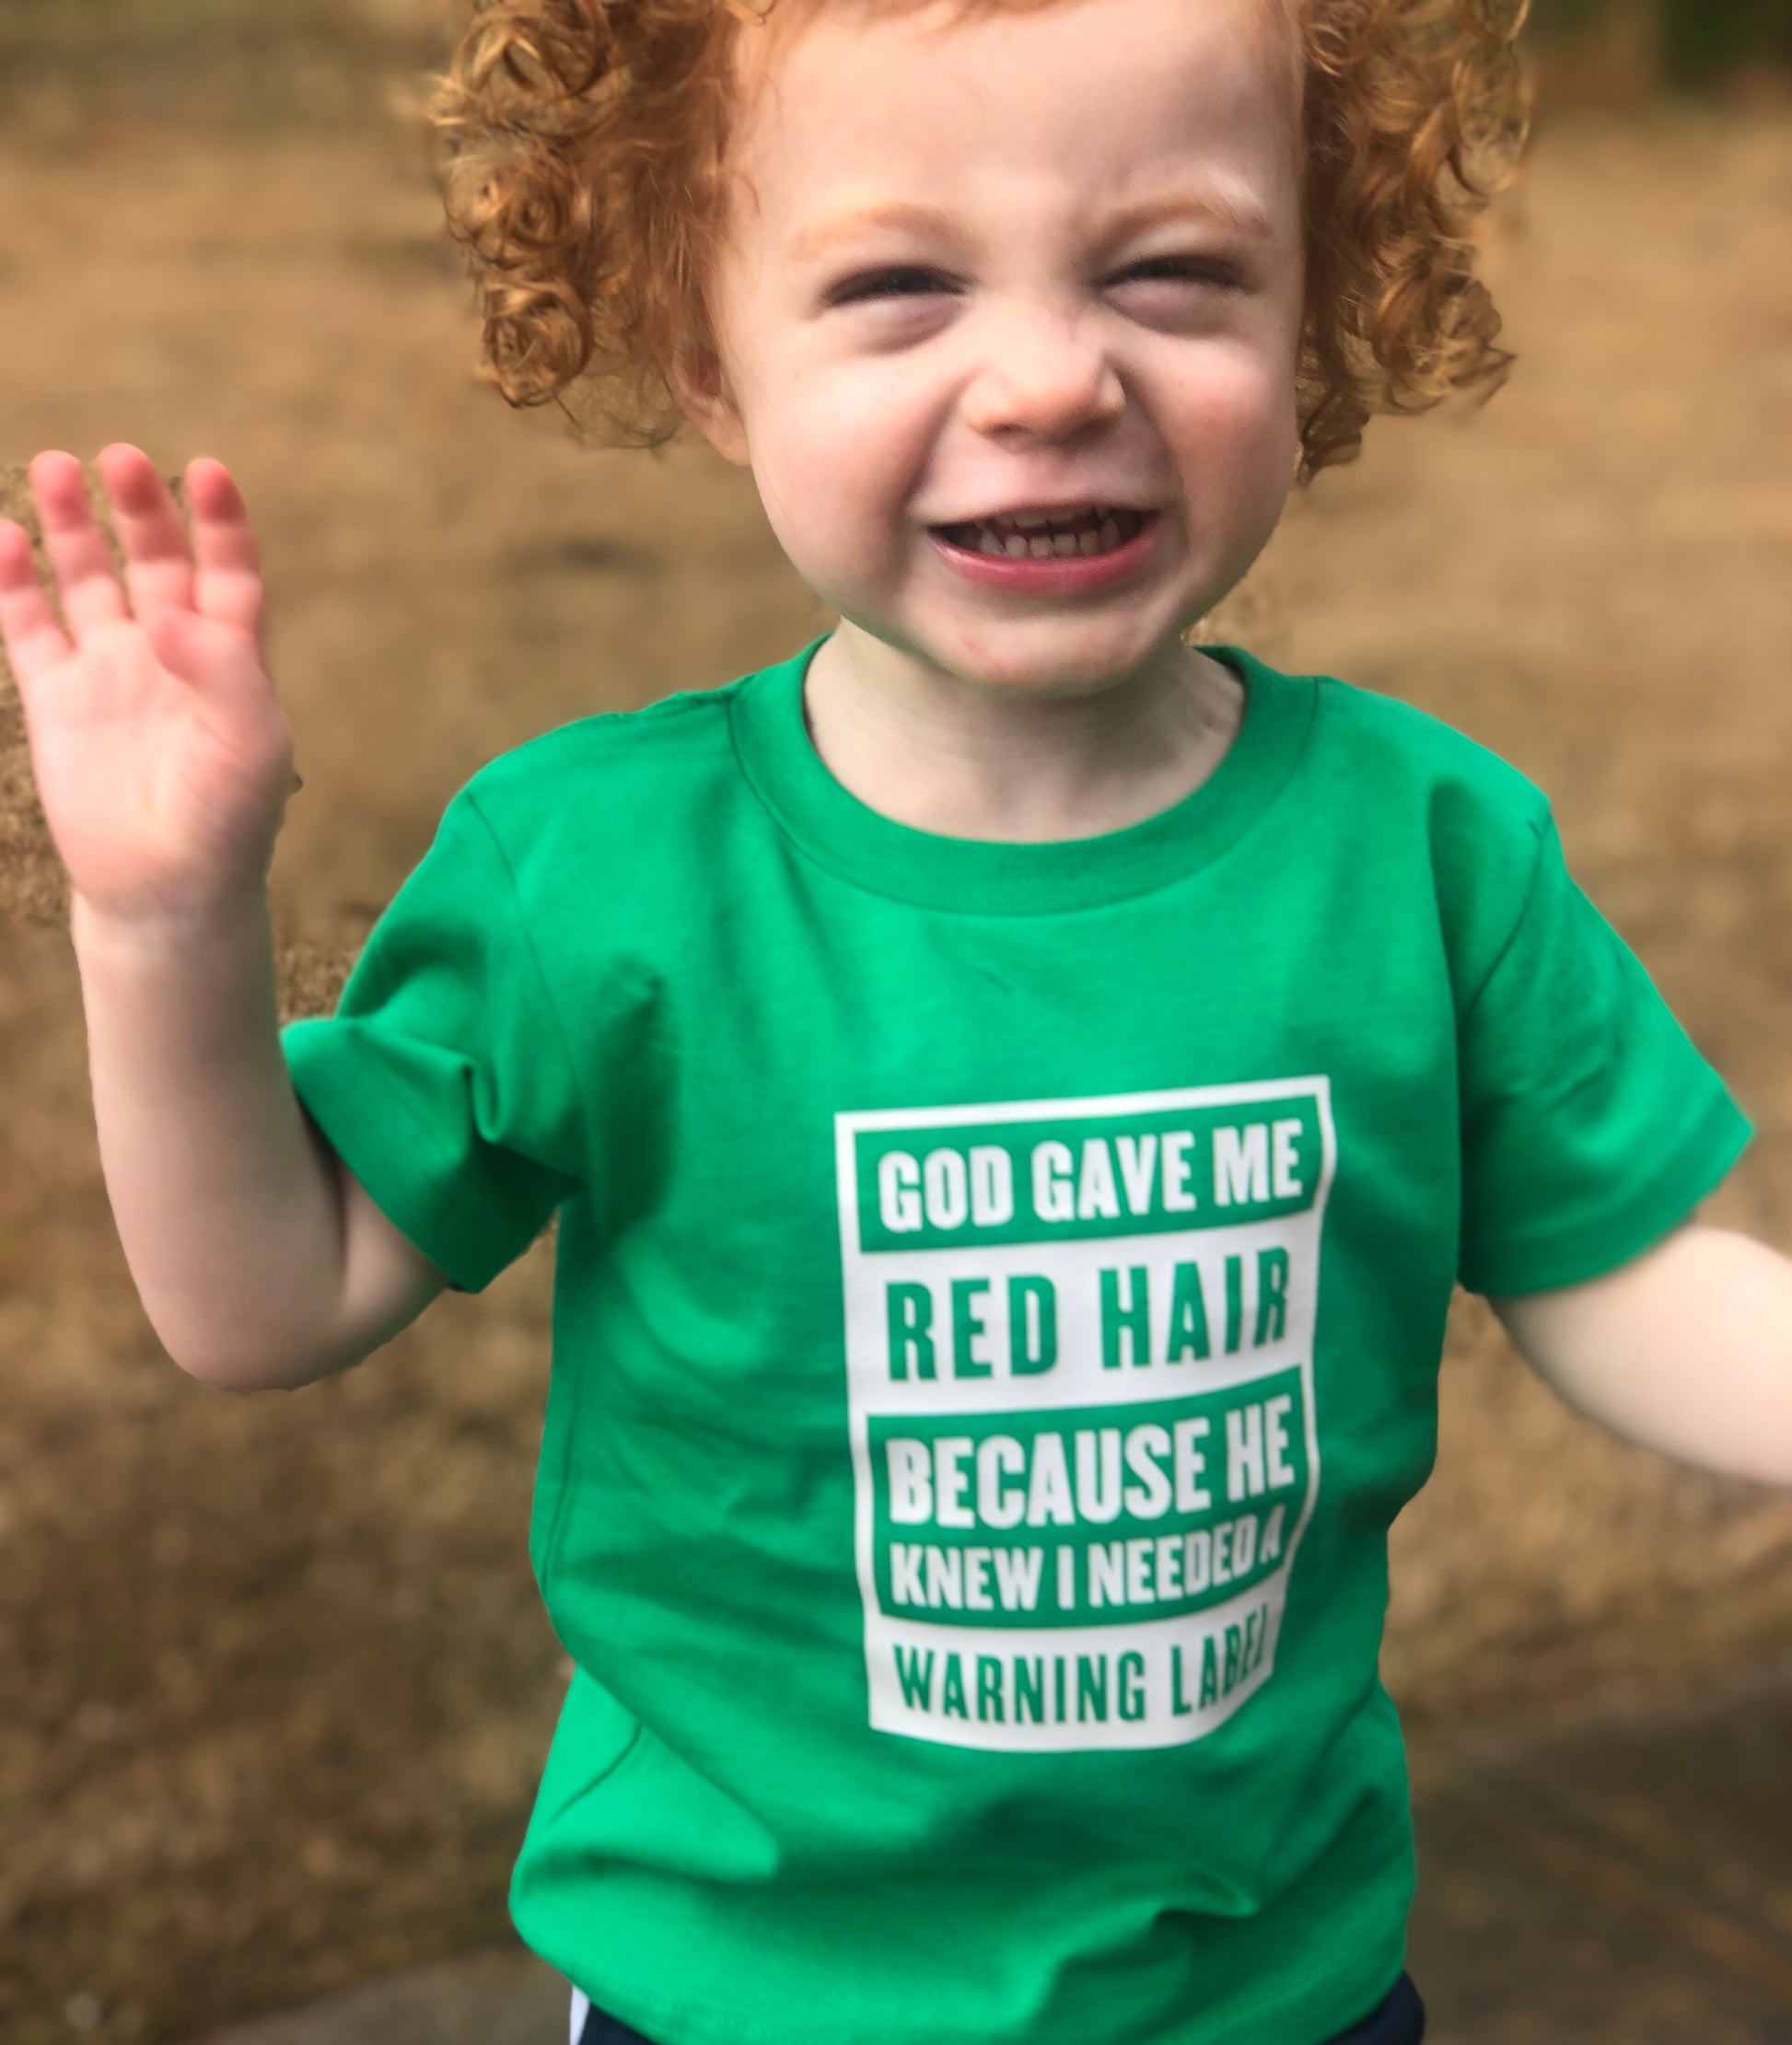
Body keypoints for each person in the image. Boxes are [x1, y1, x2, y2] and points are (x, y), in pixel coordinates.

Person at [1, 1, 1786, 2040]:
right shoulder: (600, 873)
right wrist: (161, 929)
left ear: (1316, 310)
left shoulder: (1421, 848)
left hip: (1270, 1991)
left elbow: (1619, 1275)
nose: (1048, 375)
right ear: (702, 355)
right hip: (739, 1998)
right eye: (899, 283)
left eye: (1175, 273)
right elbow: (264, 1295)